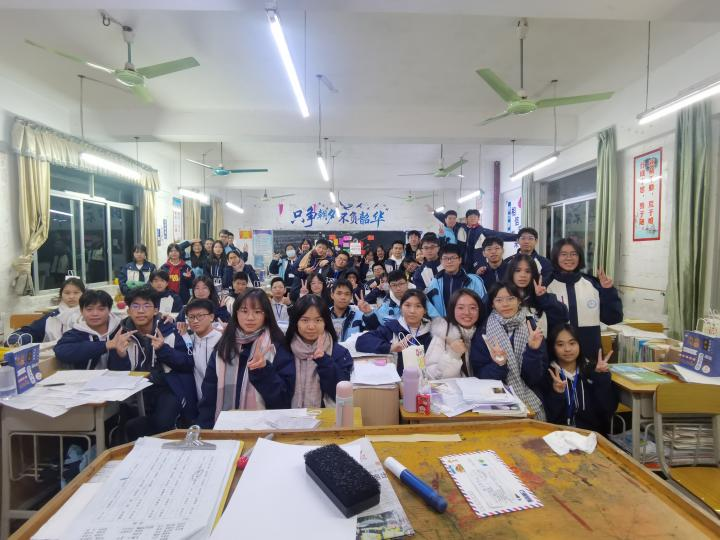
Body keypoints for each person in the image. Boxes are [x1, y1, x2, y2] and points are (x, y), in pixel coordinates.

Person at [197, 289, 295, 428]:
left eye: (257, 312)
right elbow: (209, 395)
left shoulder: (275, 346)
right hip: (225, 428)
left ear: (266, 314)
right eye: (244, 311)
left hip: (265, 430)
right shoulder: (224, 346)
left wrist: (263, 371)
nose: (250, 317)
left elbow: (283, 400)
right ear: (236, 313)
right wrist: (205, 429)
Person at [108, 286, 196, 441]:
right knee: (125, 426)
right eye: (135, 306)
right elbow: (115, 374)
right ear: (128, 311)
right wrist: (120, 356)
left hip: (167, 387)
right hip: (134, 390)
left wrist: (163, 349)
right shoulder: (120, 335)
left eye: (146, 306)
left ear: (156, 310)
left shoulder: (170, 331)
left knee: (163, 422)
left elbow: (187, 363)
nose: (141, 311)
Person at [469, 283, 547, 420]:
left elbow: (535, 378)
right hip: (495, 401)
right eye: (499, 300)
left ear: (519, 300)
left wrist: (533, 351)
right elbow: (480, 374)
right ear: (492, 304)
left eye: (511, 298)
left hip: (530, 396)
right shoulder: (484, 331)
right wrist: (499, 365)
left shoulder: (532, 328)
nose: (505, 304)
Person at [546, 238, 623, 360]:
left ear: (580, 257)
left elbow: (613, 318)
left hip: (590, 354)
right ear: (555, 257)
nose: (569, 258)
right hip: (557, 356)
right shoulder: (545, 285)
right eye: (563, 254)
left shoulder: (593, 284)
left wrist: (608, 291)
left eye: (574, 254)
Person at [543, 323, 618, 434]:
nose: (567, 349)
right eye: (560, 344)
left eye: (572, 343)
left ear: (579, 344)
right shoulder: (549, 375)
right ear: (552, 347)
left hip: (592, 436)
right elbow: (550, 418)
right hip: (560, 436)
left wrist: (601, 378)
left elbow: (608, 409)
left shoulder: (591, 371)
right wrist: (557, 394)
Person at [285, 294, 354, 407]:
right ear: (295, 322)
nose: (311, 326)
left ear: (325, 322)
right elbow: (278, 397)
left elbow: (342, 394)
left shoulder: (340, 353)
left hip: (326, 416)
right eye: (305, 320)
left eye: (318, 320)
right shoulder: (284, 350)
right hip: (290, 417)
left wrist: (324, 361)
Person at [356, 289, 432, 374]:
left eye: (418, 306)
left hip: (429, 380)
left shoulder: (433, 333)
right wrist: (390, 347)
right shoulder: (392, 328)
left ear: (425, 310)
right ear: (401, 308)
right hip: (398, 380)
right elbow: (361, 341)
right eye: (407, 305)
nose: (412, 311)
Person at [425, 289, 486, 380]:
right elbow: (430, 374)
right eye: (461, 308)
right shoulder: (444, 332)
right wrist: (453, 355)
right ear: (452, 309)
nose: (467, 312)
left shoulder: (484, 333)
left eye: (473, 308)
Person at [54, 290, 122, 370]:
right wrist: (105, 345)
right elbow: (61, 351)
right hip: (85, 377)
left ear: (109, 310)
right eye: (89, 309)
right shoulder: (76, 332)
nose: (95, 314)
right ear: (81, 311)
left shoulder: (120, 330)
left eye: (101, 309)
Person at [5, 278, 85, 345]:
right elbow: (31, 331)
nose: (71, 296)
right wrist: (18, 338)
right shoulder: (53, 317)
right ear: (61, 295)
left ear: (84, 294)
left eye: (76, 293)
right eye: (67, 293)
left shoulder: (88, 315)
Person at [506, 254, 568, 337]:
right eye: (518, 270)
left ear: (533, 274)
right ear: (511, 272)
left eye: (528, 271)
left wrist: (543, 297)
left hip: (540, 343)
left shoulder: (540, 296)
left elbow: (563, 317)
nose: (523, 275)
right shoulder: (502, 296)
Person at [426, 244, 487, 318]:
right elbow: (429, 306)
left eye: (453, 258)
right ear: (441, 261)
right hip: (442, 323)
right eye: (445, 258)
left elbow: (483, 304)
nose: (449, 261)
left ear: (460, 260)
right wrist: (440, 322)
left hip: (468, 322)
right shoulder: (434, 283)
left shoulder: (474, 281)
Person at [181, 299, 223, 401]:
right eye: (191, 317)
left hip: (219, 399)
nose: (195, 321)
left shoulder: (221, 341)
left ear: (211, 317)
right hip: (197, 400)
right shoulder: (190, 338)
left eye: (200, 316)